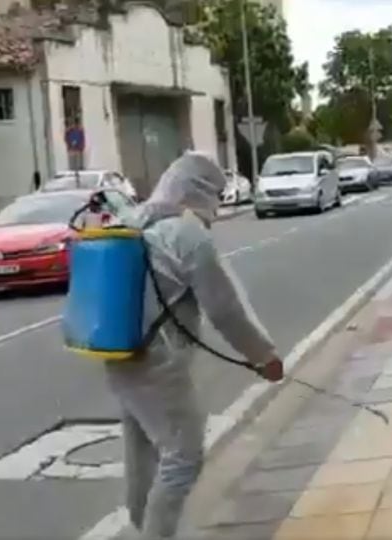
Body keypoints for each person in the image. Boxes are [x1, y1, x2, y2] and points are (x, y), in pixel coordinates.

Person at [109, 152, 283, 539]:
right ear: (201, 192)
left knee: (143, 452)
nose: (218, 208)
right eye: (217, 196)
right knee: (184, 457)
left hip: (118, 352)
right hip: (158, 360)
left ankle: (144, 525)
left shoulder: (136, 221)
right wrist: (263, 356)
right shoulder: (187, 234)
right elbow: (225, 307)